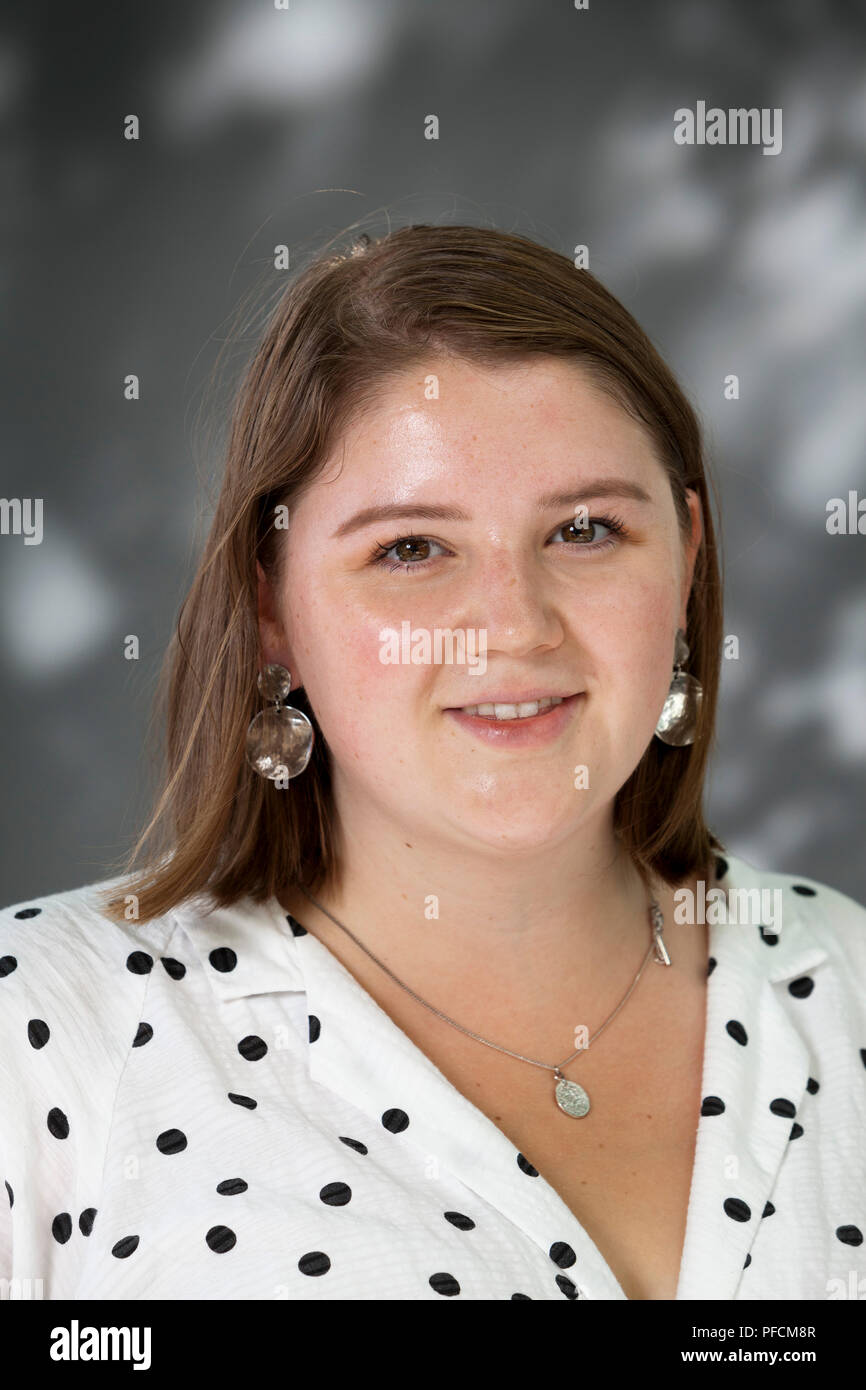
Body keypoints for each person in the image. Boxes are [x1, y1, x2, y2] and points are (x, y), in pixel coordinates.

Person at [1, 225, 864, 1303]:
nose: (509, 628)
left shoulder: (845, 983)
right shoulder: (38, 1035)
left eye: (585, 529)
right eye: (409, 548)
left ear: (687, 561)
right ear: (271, 608)